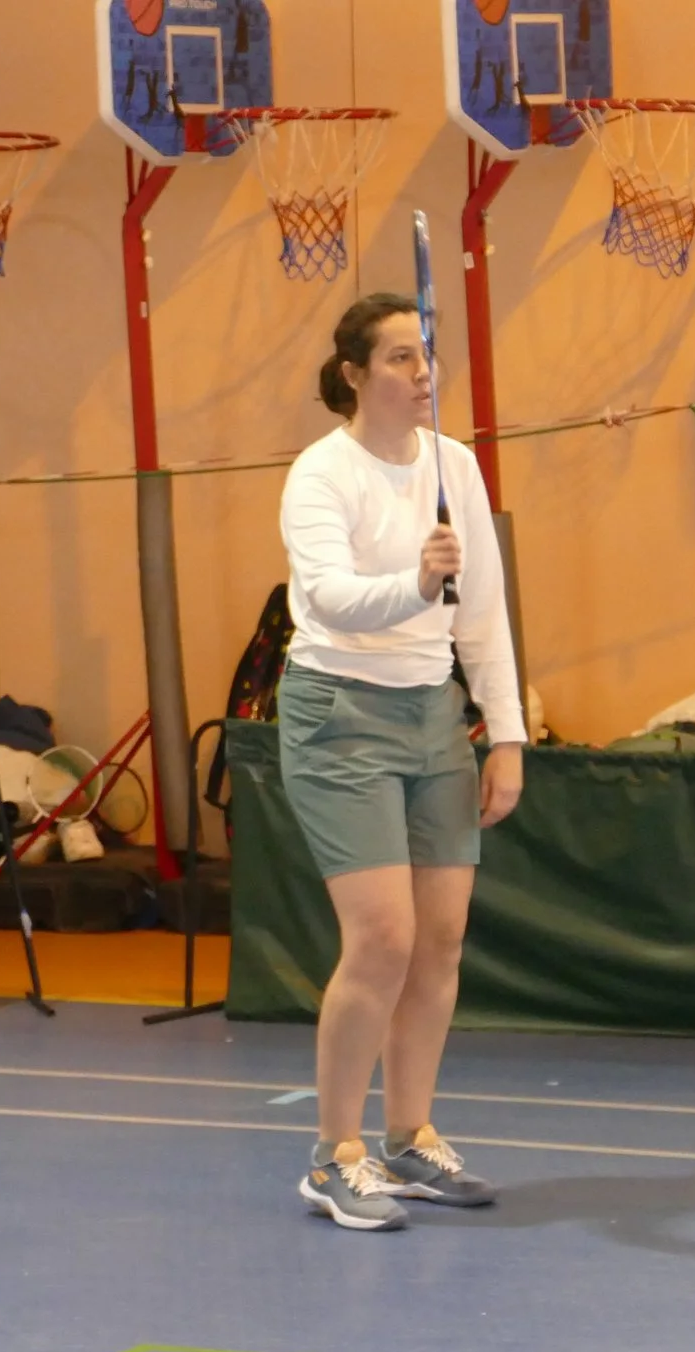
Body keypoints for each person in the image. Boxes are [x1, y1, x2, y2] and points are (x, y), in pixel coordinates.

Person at [280, 293, 525, 1232]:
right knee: (382, 938)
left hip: (433, 716)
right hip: (339, 714)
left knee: (440, 938)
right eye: (399, 358)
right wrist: (416, 582)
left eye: (427, 355)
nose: (423, 373)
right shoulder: (320, 474)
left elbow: (484, 609)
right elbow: (330, 597)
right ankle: (333, 1155)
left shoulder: (454, 466)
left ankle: (409, 1136)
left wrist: (506, 735)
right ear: (354, 375)